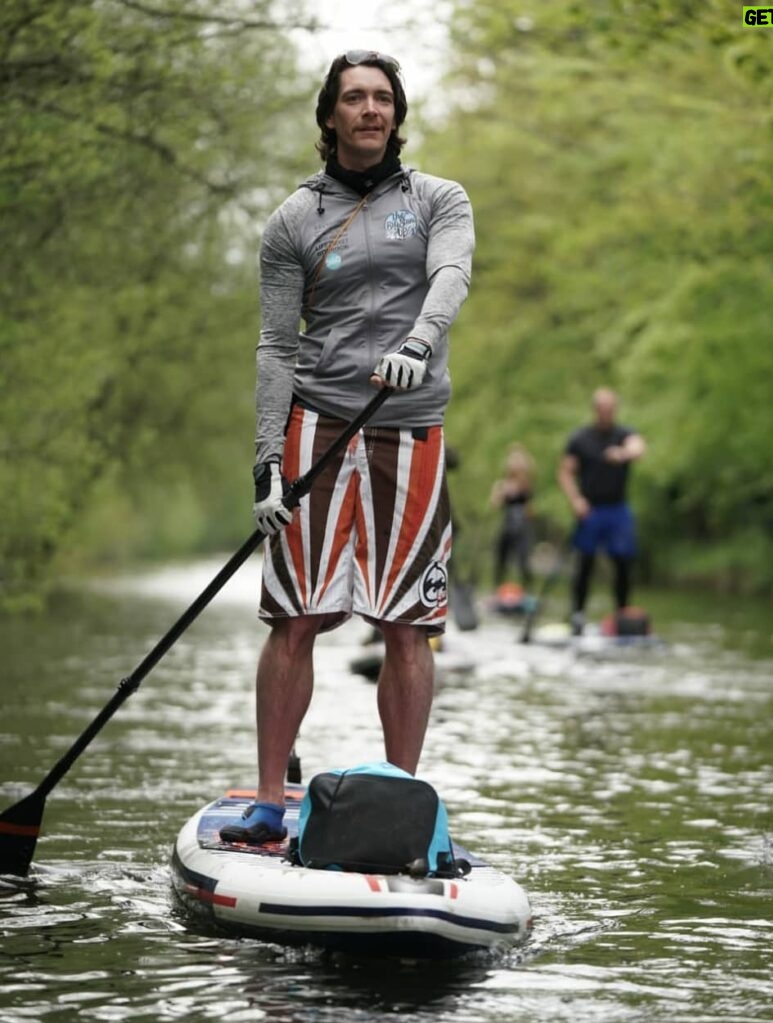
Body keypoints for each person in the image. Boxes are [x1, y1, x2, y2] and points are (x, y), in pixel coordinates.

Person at [220, 50, 474, 844]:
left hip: (411, 424)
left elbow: (451, 275)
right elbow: (274, 346)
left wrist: (421, 341)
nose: (370, 109)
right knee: (296, 616)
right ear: (330, 116)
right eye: (355, 98)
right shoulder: (293, 219)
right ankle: (269, 799)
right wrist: (267, 460)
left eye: (383, 98)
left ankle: (403, 800)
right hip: (318, 424)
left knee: (408, 622)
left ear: (397, 113)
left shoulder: (439, 199)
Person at [557, 388, 646, 635]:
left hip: (617, 509)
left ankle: (623, 612)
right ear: (595, 410)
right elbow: (565, 472)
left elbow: (638, 447)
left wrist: (623, 454)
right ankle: (578, 614)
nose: (607, 413)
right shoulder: (580, 439)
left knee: (623, 561)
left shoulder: (624, 434)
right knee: (585, 562)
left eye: (611, 409)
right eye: (603, 409)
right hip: (591, 510)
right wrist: (575, 500)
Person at [489, 443, 535, 590]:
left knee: (523, 557)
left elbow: (530, 508)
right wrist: (502, 492)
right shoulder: (502, 484)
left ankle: (526, 587)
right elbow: (494, 503)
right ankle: (498, 586)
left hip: (521, 524)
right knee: (502, 556)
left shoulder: (525, 484)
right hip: (507, 523)